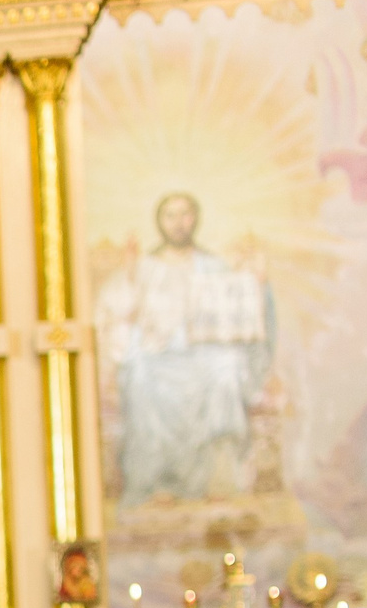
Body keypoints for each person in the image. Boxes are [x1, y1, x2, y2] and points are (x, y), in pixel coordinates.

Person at [93, 192, 273, 506]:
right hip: (159, 353)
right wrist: (132, 274)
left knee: (227, 370)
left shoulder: (214, 266)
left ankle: (220, 477)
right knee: (140, 373)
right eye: (170, 216)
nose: (178, 223)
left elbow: (240, 310)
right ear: (159, 222)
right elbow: (117, 313)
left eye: (185, 214)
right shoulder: (144, 266)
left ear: (196, 219)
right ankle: (159, 481)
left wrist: (257, 284)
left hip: (205, 354)